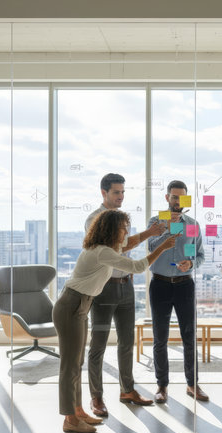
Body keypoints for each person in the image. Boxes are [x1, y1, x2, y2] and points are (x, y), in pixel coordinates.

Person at [53, 209, 177, 433]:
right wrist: (162, 246)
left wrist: (149, 233)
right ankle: (69, 419)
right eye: (123, 228)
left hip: (79, 304)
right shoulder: (102, 252)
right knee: (69, 366)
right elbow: (138, 267)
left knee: (76, 363)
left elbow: (128, 245)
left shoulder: (104, 248)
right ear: (112, 230)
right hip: (72, 305)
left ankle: (78, 411)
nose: (126, 232)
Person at [86, 173, 165, 417]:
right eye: (116, 193)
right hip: (103, 288)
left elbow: (125, 248)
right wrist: (150, 234)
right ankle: (96, 398)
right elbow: (118, 248)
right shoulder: (94, 219)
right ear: (104, 193)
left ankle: (127, 390)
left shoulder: (123, 219)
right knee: (98, 345)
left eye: (122, 193)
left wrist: (147, 234)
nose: (120, 197)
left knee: (126, 342)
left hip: (126, 287)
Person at [147, 180, 208, 403]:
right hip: (160, 284)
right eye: (174, 197)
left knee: (189, 337)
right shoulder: (156, 222)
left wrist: (191, 265)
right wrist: (168, 229)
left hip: (185, 285)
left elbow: (200, 255)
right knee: (160, 338)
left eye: (182, 198)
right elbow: (152, 247)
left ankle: (192, 384)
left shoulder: (193, 224)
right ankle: (162, 386)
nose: (177, 202)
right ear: (167, 198)